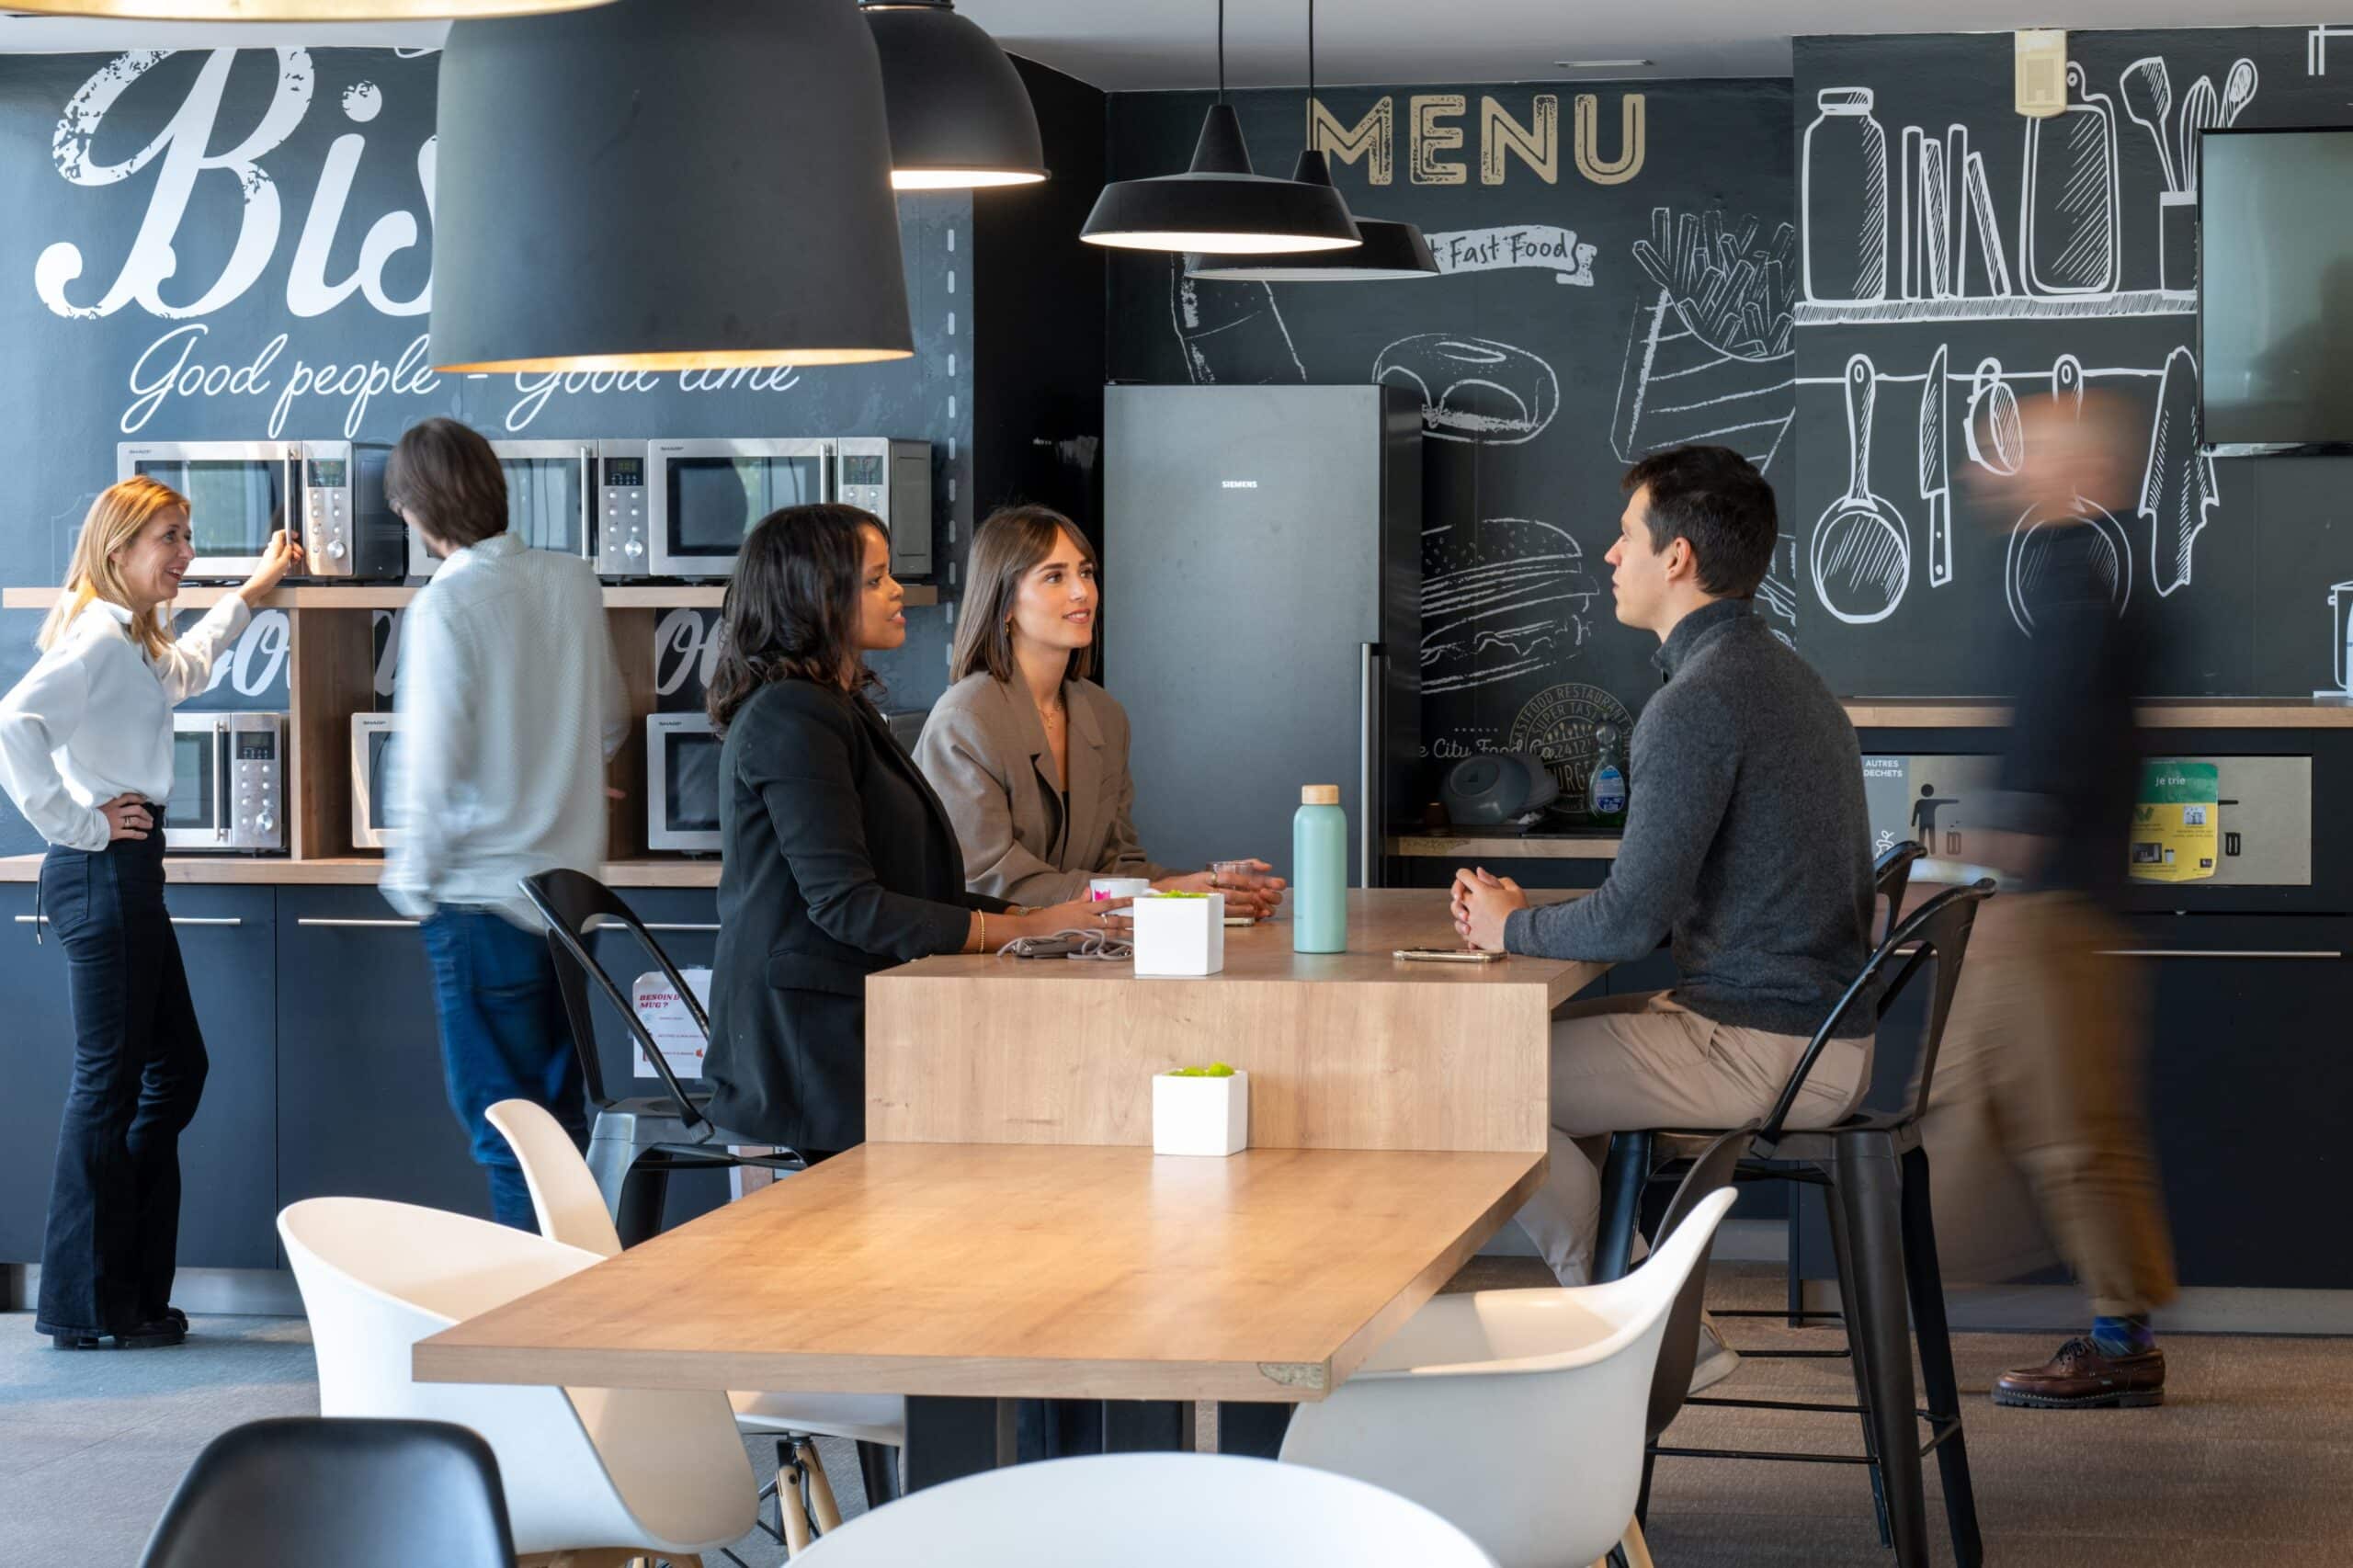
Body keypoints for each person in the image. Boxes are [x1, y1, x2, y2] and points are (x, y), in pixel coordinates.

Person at [1449, 444, 1876, 1295]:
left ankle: (1634, 1320)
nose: (1610, 555)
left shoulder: (1697, 703)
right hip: (1811, 1032)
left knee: (1470, 1080)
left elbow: (1632, 921)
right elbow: (1644, 901)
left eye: (1624, 536)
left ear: (1676, 556)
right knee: (1512, 1052)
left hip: (1762, 1047)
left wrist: (1510, 927)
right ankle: (1629, 1297)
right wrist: (1532, 916)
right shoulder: (1786, 679)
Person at [701, 505, 1112, 1158]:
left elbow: (913, 887)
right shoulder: (792, 717)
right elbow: (847, 905)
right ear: (813, 596)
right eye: (873, 580)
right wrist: (1027, 927)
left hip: (855, 1026)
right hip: (811, 1055)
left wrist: (1040, 920)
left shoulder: (837, 707)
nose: (897, 592)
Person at [0, 477, 301, 1347]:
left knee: (171, 1071)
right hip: (103, 872)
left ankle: (121, 1289)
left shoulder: (128, 639)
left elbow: (187, 670)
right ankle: (89, 1306)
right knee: (112, 1085)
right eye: (169, 538)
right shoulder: (97, 635)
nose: (185, 554)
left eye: (186, 536)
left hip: (125, 871)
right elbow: (15, 725)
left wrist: (251, 591)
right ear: (119, 547)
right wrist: (79, 824)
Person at [1937, 389, 2178, 1409]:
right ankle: (1901, 1294)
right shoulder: (2063, 574)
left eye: (2026, 450)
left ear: (2082, 471)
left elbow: (2060, 750)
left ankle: (2118, 1338)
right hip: (2043, 904)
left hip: (2048, 910)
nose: (1998, 465)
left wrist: (1999, 869)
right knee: (1988, 1117)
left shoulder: (2074, 585)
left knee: (2060, 1133)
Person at [379, 416, 627, 1231]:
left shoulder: (446, 603)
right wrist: (560, 777)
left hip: (482, 903)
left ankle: (531, 1341)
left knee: (505, 1133)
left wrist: (411, 884)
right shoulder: (572, 580)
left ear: (416, 508)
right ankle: (578, 1320)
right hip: (570, 901)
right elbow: (613, 722)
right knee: (564, 1128)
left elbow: (430, 766)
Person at [915, 506, 1283, 916]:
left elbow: (1117, 864)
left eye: (1085, 572)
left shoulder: (1104, 714)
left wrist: (1211, 889)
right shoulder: (965, 721)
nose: (1082, 592)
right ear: (1005, 605)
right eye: (1055, 577)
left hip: (1081, 953)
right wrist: (1157, 894)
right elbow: (987, 879)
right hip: (981, 963)